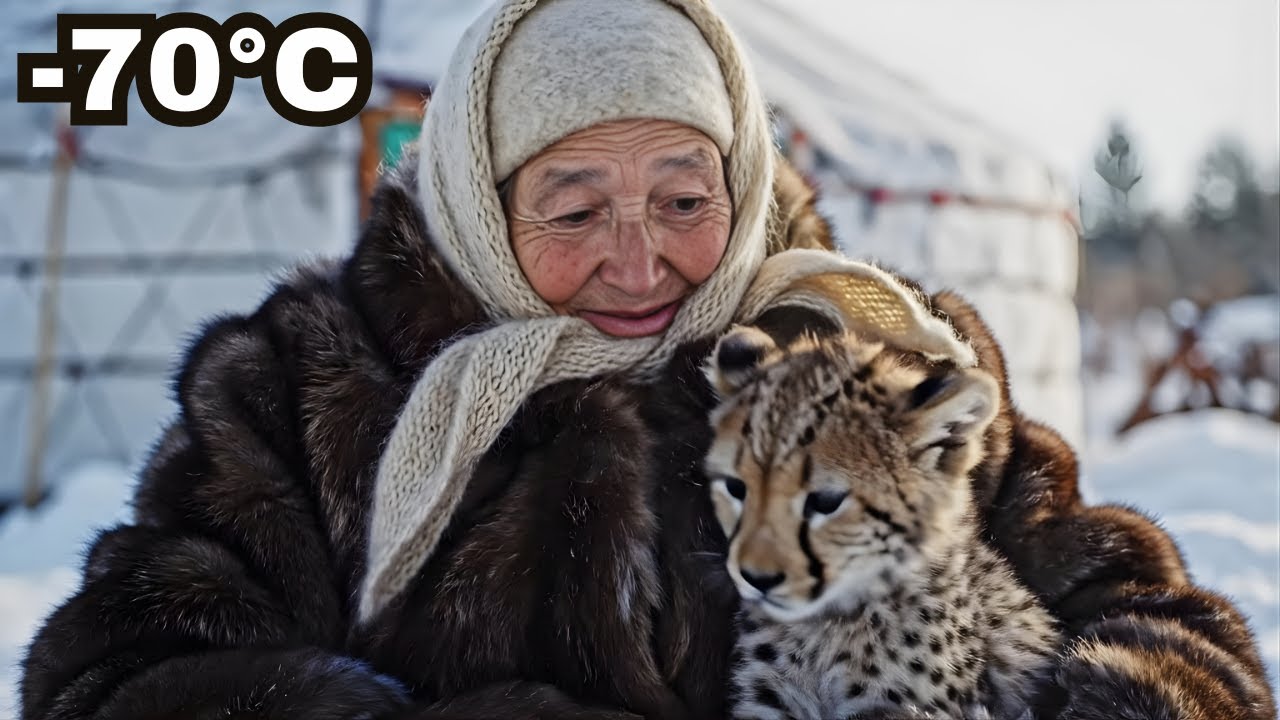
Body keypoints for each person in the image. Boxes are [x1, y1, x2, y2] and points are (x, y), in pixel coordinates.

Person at [21, 1, 1275, 718]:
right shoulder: (312, 393)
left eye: (684, 201)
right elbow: (112, 683)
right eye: (572, 211)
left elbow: (1157, 632)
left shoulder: (872, 369)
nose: (638, 265)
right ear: (475, 198)